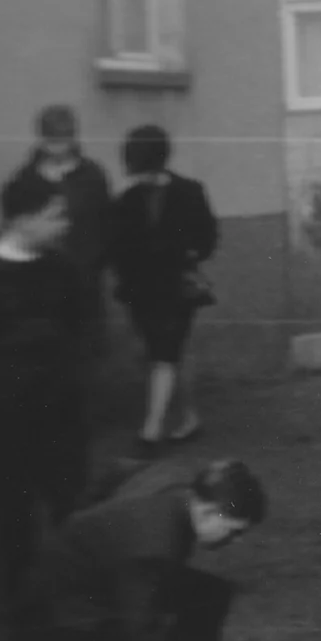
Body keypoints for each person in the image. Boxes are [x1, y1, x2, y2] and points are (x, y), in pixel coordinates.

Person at [0, 178, 88, 641]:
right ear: (22, 218)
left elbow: (83, 327)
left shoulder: (64, 269)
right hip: (3, 425)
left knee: (71, 512)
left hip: (60, 419)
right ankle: (23, 619)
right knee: (11, 521)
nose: (65, 223)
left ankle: (80, 608)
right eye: (54, 214)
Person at [20, 458, 265, 641]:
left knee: (211, 593)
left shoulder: (178, 480)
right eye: (234, 531)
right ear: (207, 512)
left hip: (92, 562)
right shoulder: (156, 546)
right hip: (70, 599)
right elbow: (137, 629)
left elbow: (111, 470)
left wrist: (92, 522)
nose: (236, 540)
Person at [107, 126, 219, 453]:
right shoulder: (127, 199)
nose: (138, 176)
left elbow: (208, 237)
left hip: (177, 288)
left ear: (158, 161)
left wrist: (191, 254)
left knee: (164, 352)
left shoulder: (190, 191)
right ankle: (189, 417)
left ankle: (150, 431)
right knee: (165, 356)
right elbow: (118, 246)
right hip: (141, 292)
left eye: (142, 168)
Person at [8, 104, 114, 350]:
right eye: (53, 138)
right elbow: (13, 225)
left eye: (65, 137)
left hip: (85, 284)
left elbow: (107, 223)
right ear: (42, 138)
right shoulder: (25, 180)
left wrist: (96, 261)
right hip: (40, 285)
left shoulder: (92, 175)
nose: (59, 145)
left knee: (86, 354)